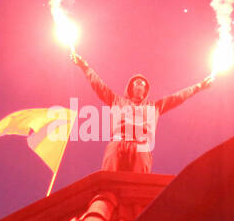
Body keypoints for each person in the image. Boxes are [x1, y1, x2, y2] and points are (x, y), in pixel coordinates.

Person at [70, 50, 215, 172]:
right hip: (118, 142)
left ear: (145, 91)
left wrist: (199, 86)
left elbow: (178, 97)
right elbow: (98, 85)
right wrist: (84, 67)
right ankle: (104, 199)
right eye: (137, 83)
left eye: (143, 84)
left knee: (139, 179)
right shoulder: (116, 101)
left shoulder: (155, 107)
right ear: (131, 87)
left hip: (141, 145)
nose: (140, 85)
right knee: (109, 171)